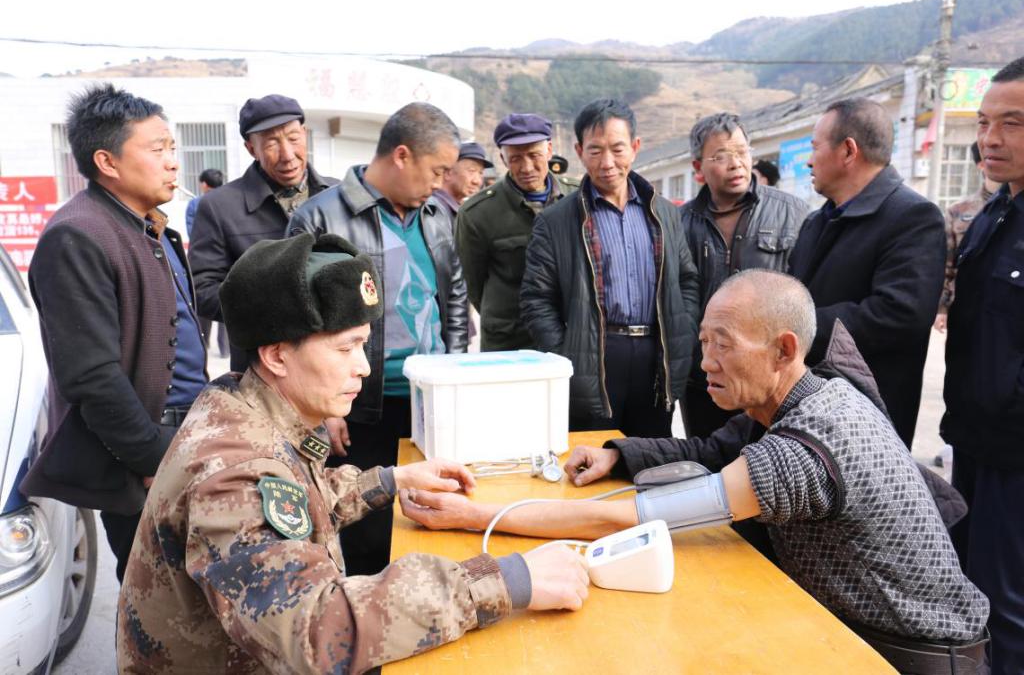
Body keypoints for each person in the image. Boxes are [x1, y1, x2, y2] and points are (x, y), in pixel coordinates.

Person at [404, 270, 990, 675]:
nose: (705, 361)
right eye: (704, 341)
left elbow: (625, 519)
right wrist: (618, 452)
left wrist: (476, 515)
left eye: (724, 345)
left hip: (910, 656)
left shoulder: (804, 449)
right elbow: (712, 449)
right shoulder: (811, 395)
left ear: (784, 349)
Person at [117, 232, 589, 673]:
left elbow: (296, 502)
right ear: (277, 355)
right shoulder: (235, 471)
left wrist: (392, 481)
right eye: (346, 349)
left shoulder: (249, 410)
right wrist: (505, 580)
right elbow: (317, 630)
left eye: (363, 345)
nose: (363, 367)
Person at [20, 84, 207, 582]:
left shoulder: (150, 226)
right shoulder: (78, 235)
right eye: (157, 149)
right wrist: (152, 455)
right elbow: (91, 376)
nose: (173, 162)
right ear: (107, 162)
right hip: (145, 451)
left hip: (185, 434)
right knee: (159, 597)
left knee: (202, 588)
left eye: (173, 148)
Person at [286, 102, 468, 576]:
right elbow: (301, 321)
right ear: (402, 155)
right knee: (365, 531)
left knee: (431, 519)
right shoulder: (320, 218)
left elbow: (453, 296)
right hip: (360, 407)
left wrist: (453, 373)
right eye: (437, 170)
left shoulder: (436, 214)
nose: (441, 183)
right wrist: (325, 408)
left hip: (429, 403)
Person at [520, 98, 699, 437]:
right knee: (593, 454)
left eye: (617, 149)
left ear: (635, 147)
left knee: (652, 455)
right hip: (593, 359)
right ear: (579, 151)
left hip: (655, 356)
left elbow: (687, 280)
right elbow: (536, 299)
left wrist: (683, 333)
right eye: (595, 150)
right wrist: (566, 354)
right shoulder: (556, 221)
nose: (607, 163)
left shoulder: (664, 214)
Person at [789, 97, 945, 448]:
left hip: (867, 422)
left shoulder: (913, 217)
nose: (809, 161)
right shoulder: (817, 222)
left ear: (848, 151)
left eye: (815, 147)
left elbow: (899, 315)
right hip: (807, 408)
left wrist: (794, 328)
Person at [942, 56, 1024, 675]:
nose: (990, 138)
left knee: (1007, 612)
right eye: (984, 122)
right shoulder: (995, 214)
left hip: (1016, 456)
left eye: (1012, 123)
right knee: (970, 595)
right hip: (972, 441)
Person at [189, 94, 339, 372]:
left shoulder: (337, 196)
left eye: (293, 138)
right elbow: (201, 289)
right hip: (261, 368)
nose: (287, 154)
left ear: (305, 134)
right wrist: (270, 307)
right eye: (271, 143)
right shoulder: (219, 207)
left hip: (334, 363)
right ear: (251, 149)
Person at [680, 113, 808, 437]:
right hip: (704, 378)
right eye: (721, 156)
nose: (736, 164)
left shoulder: (792, 214)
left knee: (767, 462)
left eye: (741, 152)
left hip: (768, 380)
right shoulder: (679, 223)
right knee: (706, 458)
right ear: (698, 167)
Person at [456, 113, 578, 351]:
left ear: (549, 150)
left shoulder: (577, 197)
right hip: (509, 342)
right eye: (515, 158)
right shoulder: (478, 213)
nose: (527, 167)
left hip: (569, 337)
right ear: (503, 158)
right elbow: (473, 284)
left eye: (534, 155)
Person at [933, 142, 1001, 332]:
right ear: (981, 164)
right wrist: (942, 308)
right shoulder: (958, 211)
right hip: (966, 308)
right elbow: (947, 264)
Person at [184, 167, 229, 357]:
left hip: (204, 258)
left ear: (204, 184)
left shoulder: (196, 203)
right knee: (227, 300)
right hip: (229, 259)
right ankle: (225, 349)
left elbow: (192, 232)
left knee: (203, 299)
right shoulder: (230, 201)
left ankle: (203, 344)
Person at [434, 141, 492, 216]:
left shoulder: (461, 209)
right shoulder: (433, 208)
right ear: (448, 172)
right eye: (471, 171)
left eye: (480, 173)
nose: (477, 181)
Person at [184, 167, 224, 236]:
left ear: (204, 184)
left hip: (203, 241)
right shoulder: (230, 201)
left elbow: (191, 231)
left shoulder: (194, 203)